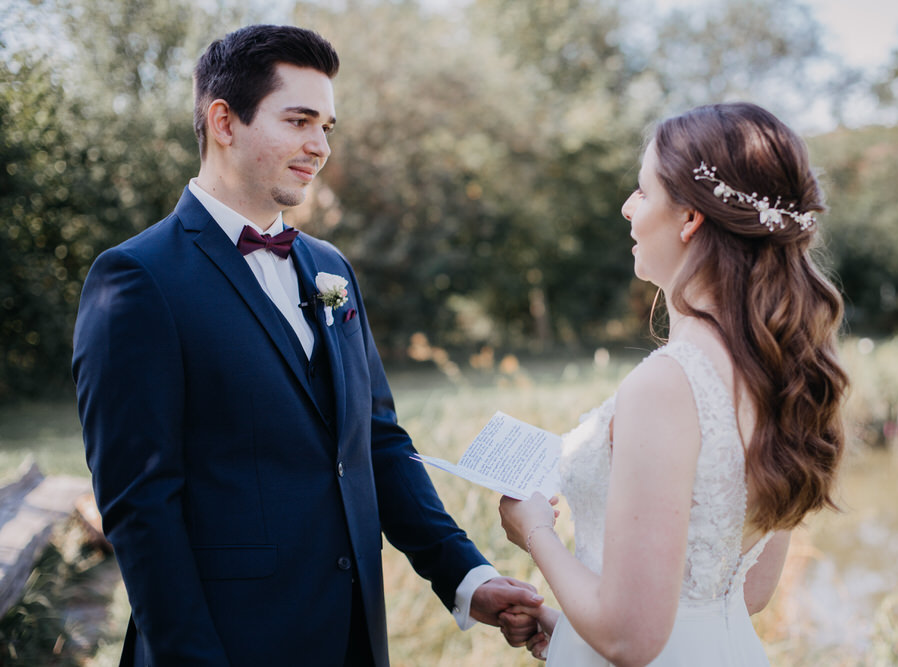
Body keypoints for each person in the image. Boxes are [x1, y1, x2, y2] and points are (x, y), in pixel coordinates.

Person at [72, 24, 540, 666]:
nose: (319, 147)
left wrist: (467, 577)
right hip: (225, 645)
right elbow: (139, 505)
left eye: (327, 127)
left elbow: (374, 443)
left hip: (352, 638)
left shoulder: (331, 269)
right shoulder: (138, 278)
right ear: (223, 122)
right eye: (298, 121)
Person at [498, 102, 849, 666]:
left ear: (689, 219)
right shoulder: (778, 370)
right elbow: (743, 593)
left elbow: (631, 640)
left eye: (642, 191)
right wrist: (569, 628)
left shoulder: (669, 384)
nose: (627, 208)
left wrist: (535, 531)